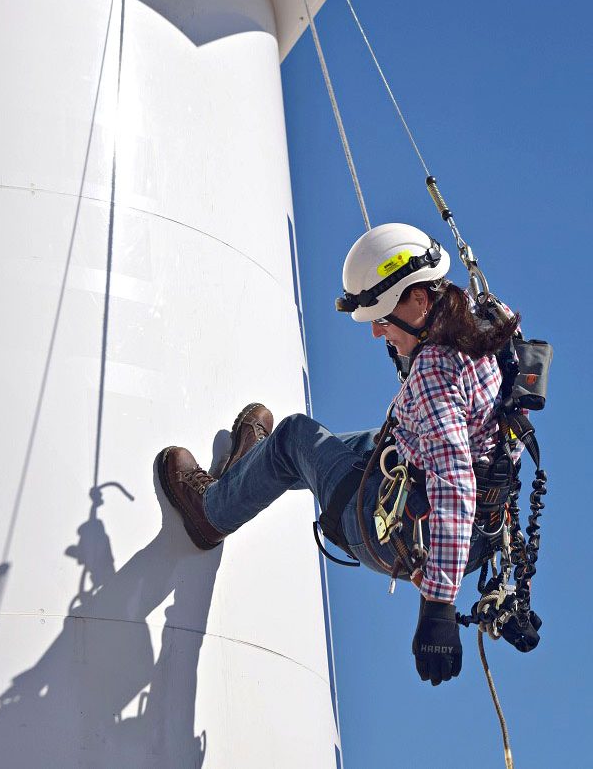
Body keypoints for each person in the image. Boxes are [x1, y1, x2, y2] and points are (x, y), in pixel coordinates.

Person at [155, 223, 520, 686]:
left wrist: (439, 608)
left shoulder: (434, 376)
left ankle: (210, 510)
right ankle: (253, 470)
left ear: (420, 300)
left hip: (393, 527)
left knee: (294, 437)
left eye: (383, 319)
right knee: (358, 445)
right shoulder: (481, 316)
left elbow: (455, 485)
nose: (377, 333)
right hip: (470, 524)